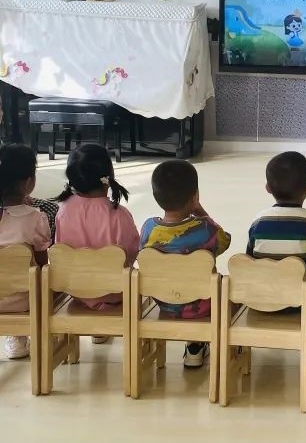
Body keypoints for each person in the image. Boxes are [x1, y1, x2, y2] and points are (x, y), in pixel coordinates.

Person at [138, 160, 231, 368]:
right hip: (202, 306)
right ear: (195, 196)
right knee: (226, 286)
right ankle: (196, 345)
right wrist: (201, 212)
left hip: (164, 303)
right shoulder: (205, 229)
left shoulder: (148, 228)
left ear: (156, 196)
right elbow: (224, 241)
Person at [55, 144, 139, 338]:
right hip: (115, 292)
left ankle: (96, 324)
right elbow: (132, 253)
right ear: (108, 177)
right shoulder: (119, 214)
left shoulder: (64, 210)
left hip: (77, 290)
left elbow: (61, 251)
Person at [0, 145, 51, 359]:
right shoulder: (35, 218)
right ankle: (19, 337)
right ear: (29, 183)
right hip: (23, 301)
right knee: (43, 277)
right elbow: (42, 265)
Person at [248, 152, 306, 267]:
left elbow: (249, 259)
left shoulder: (258, 222)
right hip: (301, 279)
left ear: (268, 188)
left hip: (263, 278)